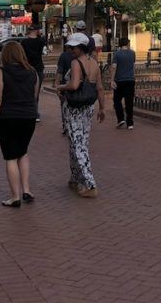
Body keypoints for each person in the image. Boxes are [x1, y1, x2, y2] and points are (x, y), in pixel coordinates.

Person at [0, 43, 39, 207]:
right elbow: (34, 96)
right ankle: (27, 190)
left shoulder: (0, 73)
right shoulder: (33, 72)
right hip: (29, 116)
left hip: (8, 117)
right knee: (23, 152)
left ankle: (15, 196)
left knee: (10, 156)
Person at [57, 32, 105, 198]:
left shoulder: (76, 63)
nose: (71, 50)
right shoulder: (94, 63)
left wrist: (61, 87)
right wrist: (102, 108)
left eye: (74, 47)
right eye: (70, 47)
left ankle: (90, 184)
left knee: (78, 146)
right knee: (78, 142)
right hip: (88, 107)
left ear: (81, 47)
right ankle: (75, 178)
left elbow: (74, 84)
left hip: (74, 108)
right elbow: (99, 87)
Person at [20, 25, 46, 120]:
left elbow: (22, 56)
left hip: (27, 68)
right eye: (39, 29)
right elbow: (43, 48)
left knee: (27, 90)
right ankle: (35, 112)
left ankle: (27, 111)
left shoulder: (24, 42)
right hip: (38, 68)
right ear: (35, 31)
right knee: (36, 91)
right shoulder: (41, 41)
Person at [110, 37, 135, 130]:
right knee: (129, 102)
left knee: (117, 100)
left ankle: (120, 118)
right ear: (127, 44)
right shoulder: (132, 53)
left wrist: (112, 80)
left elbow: (114, 67)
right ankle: (130, 123)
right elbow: (132, 65)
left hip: (119, 80)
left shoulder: (117, 54)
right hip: (130, 80)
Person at [54, 38, 74, 136]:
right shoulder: (81, 56)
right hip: (77, 85)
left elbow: (59, 71)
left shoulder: (64, 56)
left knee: (64, 106)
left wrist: (57, 85)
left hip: (65, 86)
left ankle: (65, 126)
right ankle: (73, 125)